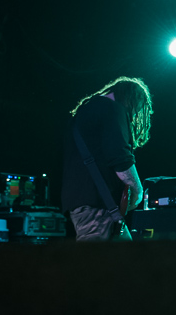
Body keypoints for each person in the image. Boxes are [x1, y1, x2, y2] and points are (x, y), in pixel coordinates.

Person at [62, 77, 153, 241]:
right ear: (131, 99)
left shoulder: (86, 112)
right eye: (136, 109)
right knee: (97, 263)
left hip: (87, 202)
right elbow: (120, 157)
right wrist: (137, 190)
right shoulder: (113, 109)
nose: (134, 115)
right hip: (97, 206)